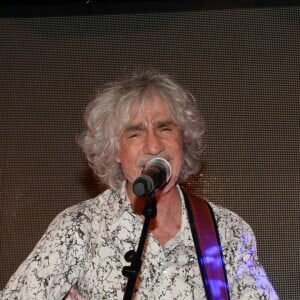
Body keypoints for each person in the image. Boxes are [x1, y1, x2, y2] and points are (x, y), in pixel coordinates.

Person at [1, 69, 278, 299]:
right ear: (115, 152)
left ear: (184, 141)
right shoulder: (78, 228)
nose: (153, 145)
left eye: (165, 128)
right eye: (135, 133)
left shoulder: (226, 231)